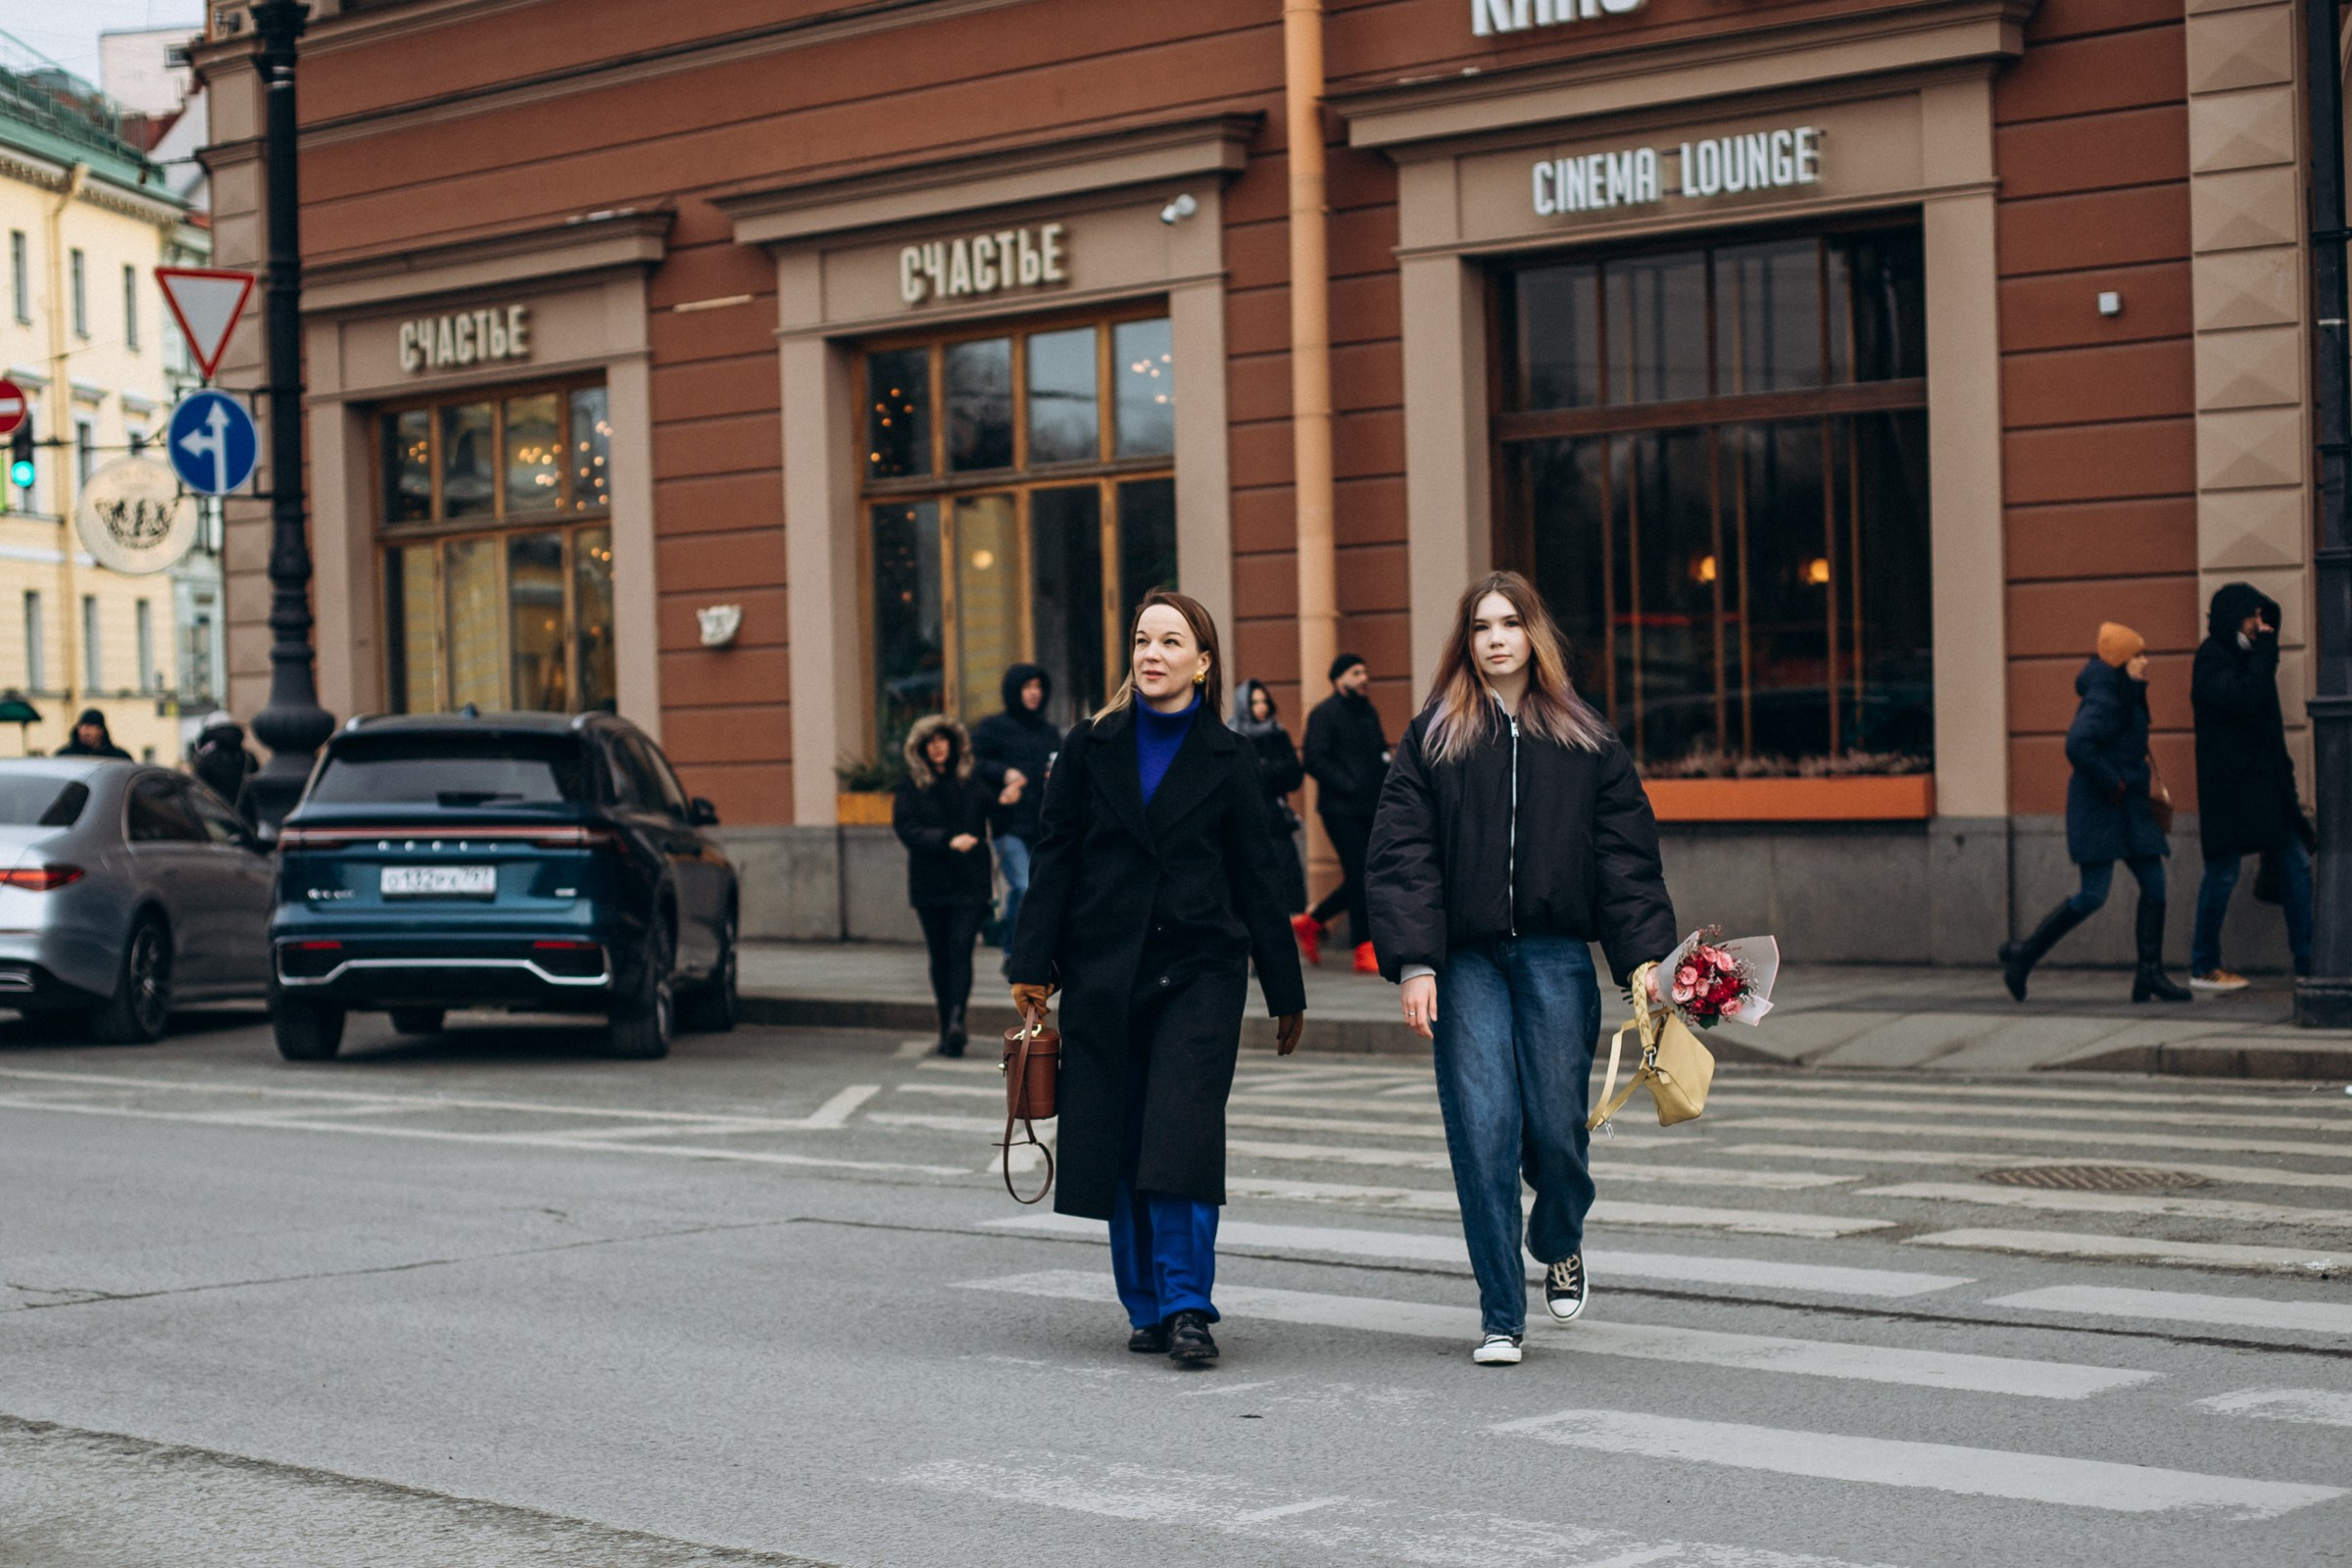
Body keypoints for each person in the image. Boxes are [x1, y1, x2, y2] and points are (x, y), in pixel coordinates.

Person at [1368, 571, 1675, 1368]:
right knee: (1483, 1133)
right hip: (1464, 962)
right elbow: (1402, 853)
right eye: (1481, 626)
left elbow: (1626, 858)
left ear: (1535, 635)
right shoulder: (1434, 735)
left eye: (1510, 623)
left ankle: (1560, 1234)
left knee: (1557, 1132)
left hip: (1553, 956)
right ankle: (1501, 1314)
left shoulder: (1584, 736)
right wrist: (1414, 963)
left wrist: (1644, 961)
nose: (1496, 638)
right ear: (1465, 642)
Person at [1007, 590, 1305, 1367]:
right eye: (1143, 640)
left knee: (1181, 1138)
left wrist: (1285, 988)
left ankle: (1185, 1305)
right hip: (1104, 971)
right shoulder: (1089, 746)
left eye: (1171, 643)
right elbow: (1056, 857)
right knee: (1119, 1135)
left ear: (1203, 664)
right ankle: (1142, 1304)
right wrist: (1032, 966)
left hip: (1200, 973)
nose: (1152, 654)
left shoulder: (1232, 759)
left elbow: (1258, 879)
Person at [2000, 622, 2190, 1004]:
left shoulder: (2126, 690)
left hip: (2128, 806)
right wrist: (2114, 782)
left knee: (2154, 883)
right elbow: (2078, 744)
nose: (2145, 661)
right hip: (2102, 806)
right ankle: (2024, 957)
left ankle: (2148, 974)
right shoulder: (2106, 694)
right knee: (2092, 895)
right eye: (2137, 655)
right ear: (2121, 660)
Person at [2188, 583, 2312, 989]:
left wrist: (2287, 784)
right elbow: (2242, 698)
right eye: (2252, 616)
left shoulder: (2251, 657)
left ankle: (2310, 960)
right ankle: (2204, 964)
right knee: (2222, 873)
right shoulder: (2212, 658)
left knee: (2295, 862)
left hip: (2266, 788)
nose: (2260, 625)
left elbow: (2270, 729)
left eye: (2262, 616)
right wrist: (2265, 656)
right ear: (2231, 617)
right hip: (2230, 791)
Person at [893, 713, 1006, 1057]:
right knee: (940, 955)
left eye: (943, 739)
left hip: (970, 881)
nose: (938, 746)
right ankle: (946, 1025)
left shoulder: (972, 782)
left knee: (960, 950)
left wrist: (1009, 798)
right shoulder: (912, 785)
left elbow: (998, 820)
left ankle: (957, 1020)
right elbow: (905, 828)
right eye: (931, 741)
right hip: (930, 883)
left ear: (954, 745)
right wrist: (946, 840)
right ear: (921, 749)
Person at [1298, 653, 1389, 973]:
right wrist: (1348, 784)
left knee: (1364, 874)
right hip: (1339, 809)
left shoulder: (1368, 711)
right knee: (1362, 872)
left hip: (1370, 807)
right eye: (1356, 672)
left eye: (1364, 671)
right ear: (1339, 679)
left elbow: (1380, 752)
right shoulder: (1324, 714)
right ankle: (1364, 948)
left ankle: (1313, 921)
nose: (1364, 677)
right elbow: (1313, 758)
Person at [970, 662, 1052, 974]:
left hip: (1043, 826)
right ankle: (1012, 950)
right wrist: (1005, 774)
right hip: (1009, 824)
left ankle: (1035, 952)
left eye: (1038, 687)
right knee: (1022, 886)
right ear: (1014, 691)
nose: (1034, 693)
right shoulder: (994, 728)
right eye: (1027, 687)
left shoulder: (1047, 732)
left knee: (1040, 892)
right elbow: (974, 762)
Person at [1229, 679, 1308, 916]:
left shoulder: (1278, 733)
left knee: (1288, 882)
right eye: (1255, 702)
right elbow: (1243, 780)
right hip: (1247, 823)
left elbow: (1294, 775)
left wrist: (1266, 770)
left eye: (1264, 701)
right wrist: (1274, 770)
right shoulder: (1236, 737)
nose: (1262, 707)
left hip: (1278, 820)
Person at [190, 712, 260, 820]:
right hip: (246, 822)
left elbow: (198, 793)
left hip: (217, 823)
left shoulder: (206, 759)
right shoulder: (248, 757)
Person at [56, 708, 130, 760]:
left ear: (101, 730)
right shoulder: (64, 757)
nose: (83, 731)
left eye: (89, 726)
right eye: (81, 726)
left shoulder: (119, 757)